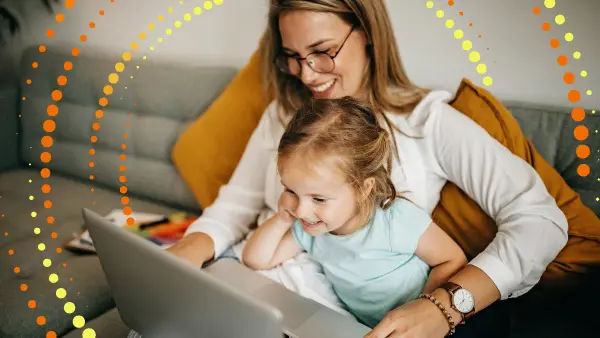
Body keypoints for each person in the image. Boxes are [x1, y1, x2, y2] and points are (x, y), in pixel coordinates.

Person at [164, 0, 568, 337]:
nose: (307, 74)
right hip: (261, 288)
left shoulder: (427, 123)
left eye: (322, 51)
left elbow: (538, 219)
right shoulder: (284, 113)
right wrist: (189, 250)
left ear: (368, 34)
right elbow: (237, 203)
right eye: (292, 56)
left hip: (334, 317)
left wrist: (444, 306)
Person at [242, 97, 469, 330]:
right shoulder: (311, 228)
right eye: (290, 190)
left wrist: (423, 309)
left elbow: (452, 259)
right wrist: (281, 219)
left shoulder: (395, 219)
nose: (300, 209)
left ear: (363, 188)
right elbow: (257, 259)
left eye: (318, 199)